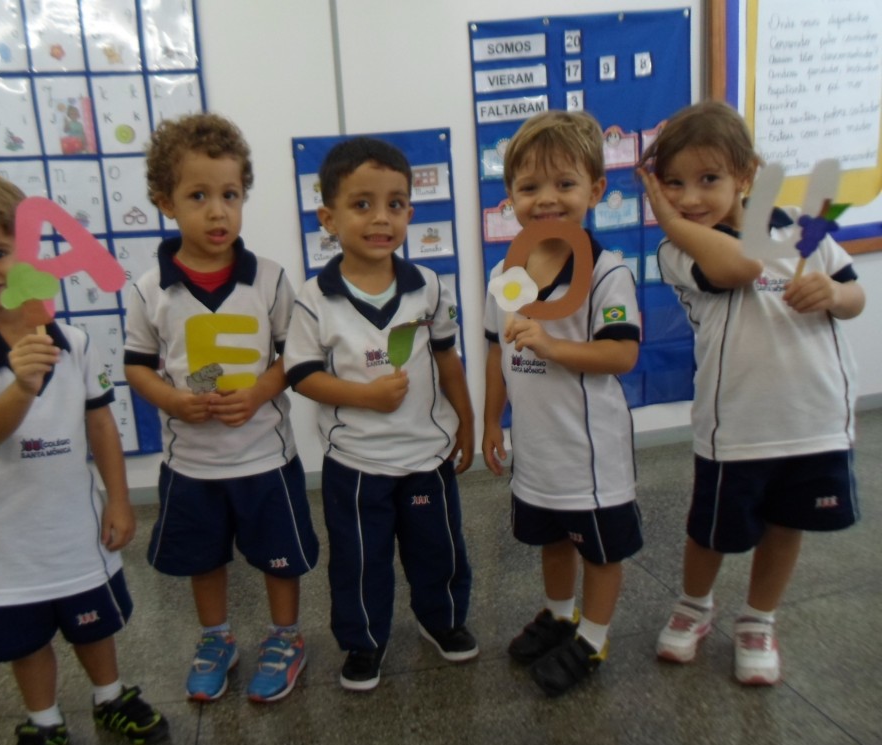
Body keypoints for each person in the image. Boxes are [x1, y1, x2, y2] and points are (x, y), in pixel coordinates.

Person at [0, 169, 168, 745]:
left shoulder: (73, 342)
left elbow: (100, 423)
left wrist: (118, 499)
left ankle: (109, 696)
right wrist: (22, 385)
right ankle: (43, 720)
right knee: (27, 640)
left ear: (27, 252)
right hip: (8, 546)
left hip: (77, 530)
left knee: (93, 623)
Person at [638, 100, 865, 685]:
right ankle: (695, 605)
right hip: (736, 427)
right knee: (710, 531)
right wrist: (670, 223)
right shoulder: (680, 248)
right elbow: (739, 266)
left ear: (746, 175)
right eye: (673, 184)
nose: (690, 198)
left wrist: (833, 294)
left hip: (813, 420)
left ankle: (759, 619)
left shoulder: (802, 227)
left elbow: (854, 295)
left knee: (787, 525)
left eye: (708, 179)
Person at [124, 113, 318, 703]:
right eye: (198, 196)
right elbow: (137, 367)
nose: (217, 212)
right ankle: (216, 638)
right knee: (203, 559)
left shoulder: (271, 280)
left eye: (230, 195)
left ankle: (285, 637)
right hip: (192, 465)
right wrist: (172, 400)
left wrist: (259, 392)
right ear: (166, 202)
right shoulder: (149, 290)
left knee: (279, 558)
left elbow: (294, 357)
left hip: (265, 458)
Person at [284, 137, 477, 692]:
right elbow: (302, 375)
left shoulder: (428, 288)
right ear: (329, 218)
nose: (380, 218)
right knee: (359, 560)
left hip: (425, 456)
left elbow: (448, 359)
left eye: (395, 204)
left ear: (410, 213)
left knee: (438, 549)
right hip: (356, 462)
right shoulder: (314, 299)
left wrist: (466, 421)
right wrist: (364, 396)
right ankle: (364, 641)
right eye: (362, 204)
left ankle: (442, 620)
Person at [481, 110, 643, 697]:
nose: (547, 198)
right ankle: (559, 614)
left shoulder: (606, 273)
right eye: (530, 187)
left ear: (596, 190)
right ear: (510, 198)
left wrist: (552, 345)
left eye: (565, 184)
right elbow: (496, 349)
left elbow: (621, 354)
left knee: (598, 550)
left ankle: (593, 638)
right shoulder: (506, 273)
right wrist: (491, 420)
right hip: (538, 449)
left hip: (590, 456)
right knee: (551, 539)